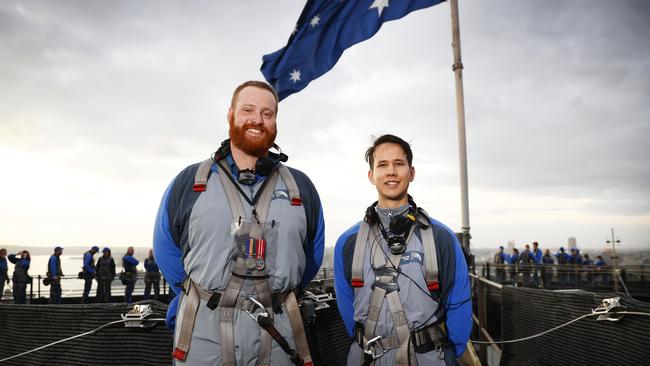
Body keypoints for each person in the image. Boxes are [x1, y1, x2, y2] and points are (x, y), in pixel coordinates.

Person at [154, 80, 325, 365]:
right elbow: (165, 250)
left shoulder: (301, 187)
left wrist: (277, 295)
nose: (258, 119)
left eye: (267, 114)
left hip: (279, 330)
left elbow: (312, 255)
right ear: (230, 114)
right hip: (205, 334)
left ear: (275, 122)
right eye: (248, 109)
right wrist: (205, 298)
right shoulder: (190, 182)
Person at [334, 134, 471, 365]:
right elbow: (346, 305)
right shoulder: (349, 242)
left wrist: (445, 357)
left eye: (399, 164)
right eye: (383, 165)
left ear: (412, 172)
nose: (391, 171)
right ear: (371, 175)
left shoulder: (440, 237)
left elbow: (459, 303)